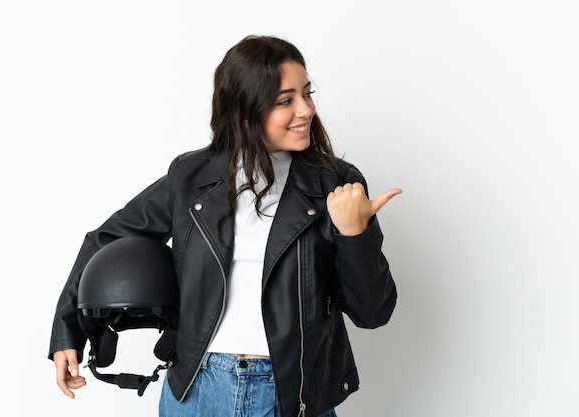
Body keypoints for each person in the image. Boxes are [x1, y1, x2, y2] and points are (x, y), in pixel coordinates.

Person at [49, 34, 401, 417]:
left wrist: (354, 235)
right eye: (286, 101)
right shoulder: (192, 176)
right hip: (196, 390)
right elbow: (106, 239)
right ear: (245, 113)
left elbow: (373, 313)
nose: (306, 110)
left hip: (291, 397)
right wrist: (67, 332)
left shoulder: (336, 185)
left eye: (307, 93)